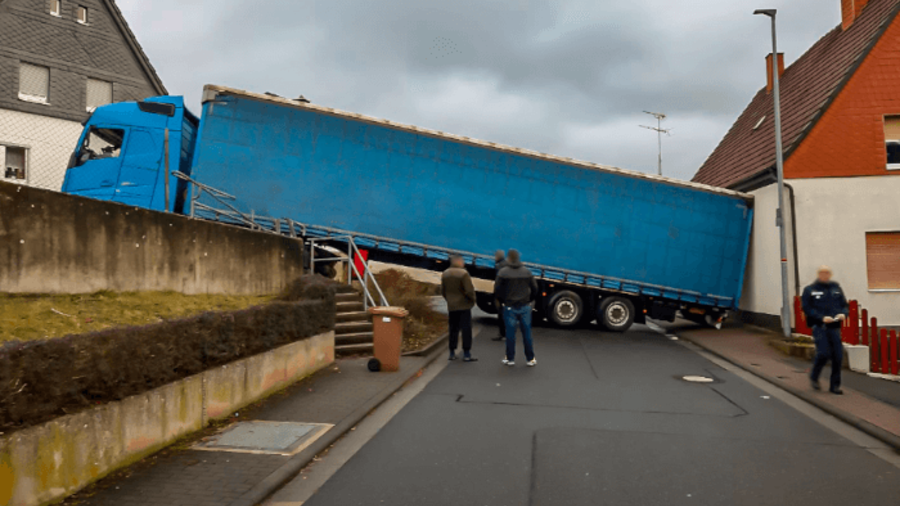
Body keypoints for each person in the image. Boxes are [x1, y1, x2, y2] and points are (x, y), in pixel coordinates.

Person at [801, 265, 849, 394]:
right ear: (818, 274)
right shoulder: (810, 290)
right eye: (822, 273)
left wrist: (843, 314)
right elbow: (807, 308)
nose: (824, 275)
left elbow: (844, 305)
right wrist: (821, 317)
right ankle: (814, 377)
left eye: (827, 273)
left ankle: (835, 386)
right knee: (823, 353)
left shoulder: (836, 288)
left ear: (830, 274)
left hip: (834, 327)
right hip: (819, 327)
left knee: (838, 356)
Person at [494, 249, 539, 367]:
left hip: (509, 307)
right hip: (524, 306)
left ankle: (510, 358)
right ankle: (530, 359)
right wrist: (529, 300)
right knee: (527, 334)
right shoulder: (527, 272)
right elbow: (535, 288)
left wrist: (503, 301)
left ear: (509, 258)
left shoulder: (503, 272)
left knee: (510, 334)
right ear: (518, 258)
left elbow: (497, 290)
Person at [441, 255, 478, 362]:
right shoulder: (463, 274)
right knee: (466, 329)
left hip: (452, 306)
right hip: (464, 305)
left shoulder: (445, 273)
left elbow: (443, 290)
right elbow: (469, 290)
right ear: (459, 262)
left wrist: (449, 300)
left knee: (453, 329)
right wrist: (472, 300)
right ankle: (466, 353)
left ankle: (452, 352)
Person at [491, 250, 508, 341]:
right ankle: (505, 334)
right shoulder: (507, 265)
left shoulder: (499, 266)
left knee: (501, 315)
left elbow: (499, 282)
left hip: (502, 294)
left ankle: (503, 334)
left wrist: (496, 294)